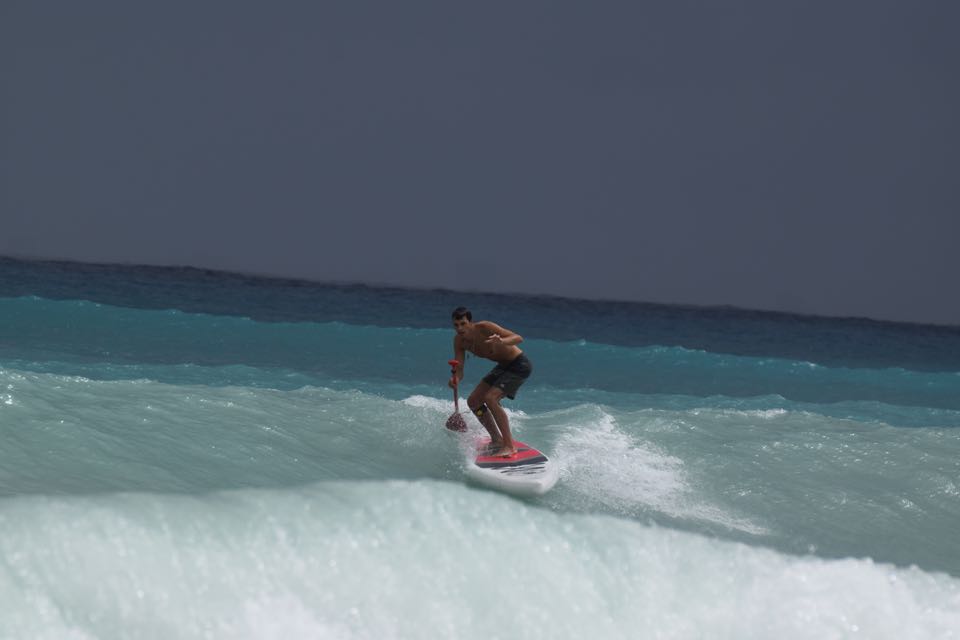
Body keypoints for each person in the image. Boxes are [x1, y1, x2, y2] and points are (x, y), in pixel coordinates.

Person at [449, 306, 532, 457]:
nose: (460, 328)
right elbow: (459, 369)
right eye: (456, 325)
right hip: (503, 367)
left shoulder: (485, 327)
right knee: (474, 401)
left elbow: (518, 338)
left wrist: (502, 340)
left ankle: (509, 445)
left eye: (463, 323)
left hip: (519, 365)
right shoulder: (459, 341)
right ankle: (496, 439)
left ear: (470, 322)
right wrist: (455, 379)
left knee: (491, 398)